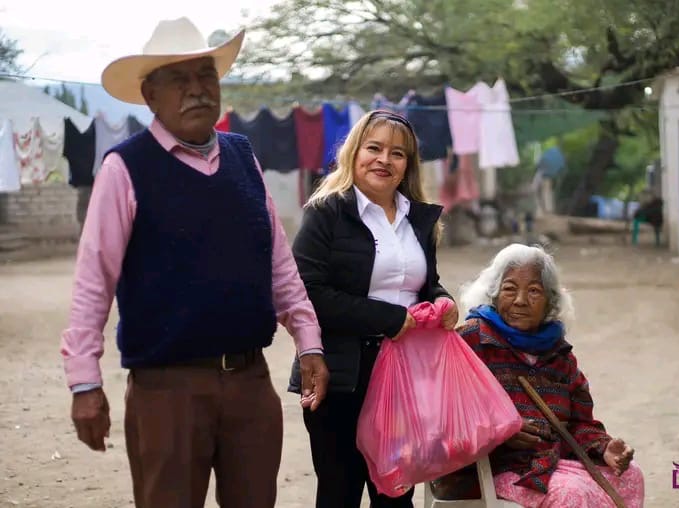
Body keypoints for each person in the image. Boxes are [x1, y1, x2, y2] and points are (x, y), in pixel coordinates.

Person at [60, 17, 329, 508]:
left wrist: (308, 341)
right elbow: (93, 282)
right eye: (179, 80)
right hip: (167, 389)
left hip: (250, 383)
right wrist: (85, 381)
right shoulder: (126, 168)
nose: (197, 91)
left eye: (206, 76)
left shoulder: (242, 155)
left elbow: (277, 264)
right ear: (150, 95)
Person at [288, 110, 459, 508]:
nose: (384, 160)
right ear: (354, 153)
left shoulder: (417, 219)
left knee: (396, 495)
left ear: (408, 166)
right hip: (342, 373)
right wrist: (390, 318)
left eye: (397, 154)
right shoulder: (326, 211)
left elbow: (422, 281)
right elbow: (306, 292)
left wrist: (441, 298)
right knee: (339, 492)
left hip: (404, 373)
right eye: (374, 148)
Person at [444, 243, 644, 507]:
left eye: (534, 291)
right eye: (509, 289)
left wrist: (604, 448)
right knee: (570, 494)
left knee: (631, 476)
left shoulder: (558, 353)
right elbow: (443, 415)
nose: (520, 300)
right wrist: (500, 432)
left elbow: (578, 423)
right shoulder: (472, 339)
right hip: (492, 471)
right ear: (494, 294)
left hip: (550, 463)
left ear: (550, 301)